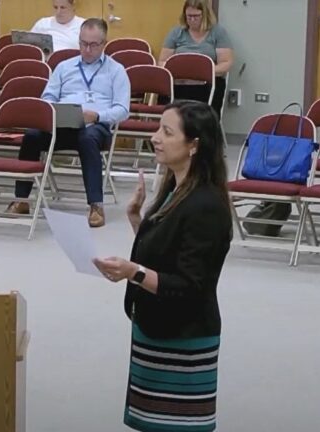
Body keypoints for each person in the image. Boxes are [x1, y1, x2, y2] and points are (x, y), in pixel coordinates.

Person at [93, 101, 232, 432]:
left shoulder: (207, 205)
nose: (155, 137)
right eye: (158, 129)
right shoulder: (175, 189)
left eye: (167, 132)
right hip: (155, 327)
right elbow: (165, 251)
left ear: (194, 145)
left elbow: (190, 285)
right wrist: (137, 220)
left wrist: (133, 272)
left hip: (183, 337)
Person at [6, 18, 130, 228]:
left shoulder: (116, 71)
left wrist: (97, 116)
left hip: (96, 126)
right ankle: (21, 199)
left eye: (93, 45)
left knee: (88, 138)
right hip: (62, 124)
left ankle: (96, 205)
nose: (87, 49)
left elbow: (123, 109)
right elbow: (47, 97)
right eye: (83, 43)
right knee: (32, 136)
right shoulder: (64, 67)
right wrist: (53, 109)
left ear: (104, 44)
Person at [159, 0, 234, 117]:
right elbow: (162, 62)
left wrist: (202, 73)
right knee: (164, 90)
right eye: (189, 16)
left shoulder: (218, 32)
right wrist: (181, 73)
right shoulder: (176, 32)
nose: (192, 19)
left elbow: (226, 63)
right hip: (179, 82)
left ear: (205, 15)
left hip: (208, 83)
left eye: (196, 16)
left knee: (215, 87)